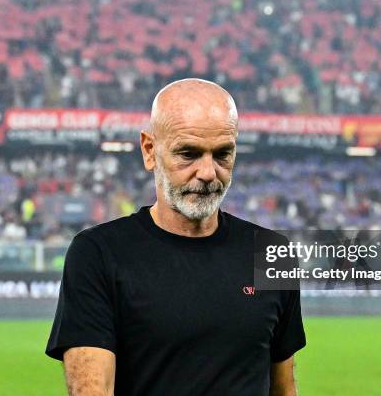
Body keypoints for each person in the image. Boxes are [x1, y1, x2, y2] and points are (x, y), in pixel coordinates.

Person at [46, 78, 306, 395]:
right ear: (150, 150)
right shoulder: (98, 254)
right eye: (188, 154)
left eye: (223, 154)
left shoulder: (269, 253)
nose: (209, 172)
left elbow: (284, 389)